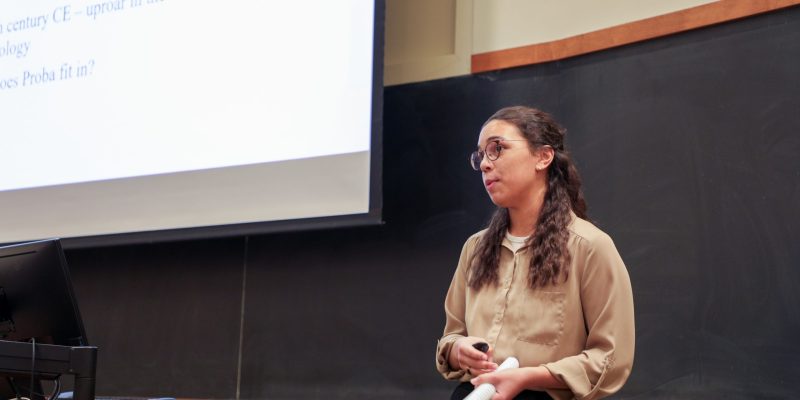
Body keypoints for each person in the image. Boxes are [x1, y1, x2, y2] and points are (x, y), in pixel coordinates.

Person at [435, 106, 635, 400]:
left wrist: (530, 376)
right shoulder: (475, 249)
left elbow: (611, 357)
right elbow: (452, 335)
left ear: (543, 156)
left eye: (497, 149)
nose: (486, 165)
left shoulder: (589, 246)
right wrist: (458, 351)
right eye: (481, 156)